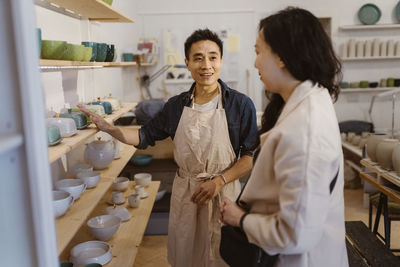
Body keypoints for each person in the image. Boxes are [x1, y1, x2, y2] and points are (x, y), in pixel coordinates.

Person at [78, 29, 259, 267]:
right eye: (198, 58)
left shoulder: (241, 104)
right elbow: (144, 136)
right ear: (187, 63)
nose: (206, 65)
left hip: (224, 194)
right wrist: (109, 128)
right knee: (186, 255)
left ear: (221, 61)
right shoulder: (175, 106)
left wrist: (218, 182)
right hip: (188, 194)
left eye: (213, 57)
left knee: (222, 257)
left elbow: (248, 158)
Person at [220, 7, 348, 267]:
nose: (255, 63)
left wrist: (239, 218)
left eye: (258, 51)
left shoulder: (305, 131)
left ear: (281, 56)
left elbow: (296, 234)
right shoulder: (308, 101)